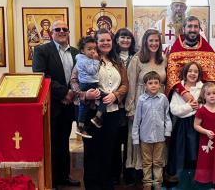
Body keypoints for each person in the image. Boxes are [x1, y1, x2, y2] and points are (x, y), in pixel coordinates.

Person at [71, 28, 128, 189]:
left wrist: (116, 95)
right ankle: (92, 185)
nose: (105, 43)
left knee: (109, 150)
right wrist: (84, 94)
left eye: (108, 40)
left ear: (112, 42)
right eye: (101, 40)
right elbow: (74, 81)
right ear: (96, 43)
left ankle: (107, 184)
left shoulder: (117, 61)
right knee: (92, 150)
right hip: (91, 111)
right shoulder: (85, 59)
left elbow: (125, 84)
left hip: (113, 112)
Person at [32, 20, 80, 188]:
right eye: (57, 29)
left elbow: (81, 75)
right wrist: (64, 92)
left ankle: (64, 176)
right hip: (52, 105)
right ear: (51, 32)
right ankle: (50, 179)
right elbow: (41, 76)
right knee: (51, 143)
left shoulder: (76, 53)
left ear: (68, 32)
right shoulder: (41, 51)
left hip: (70, 105)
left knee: (64, 141)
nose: (61, 31)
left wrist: (72, 93)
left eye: (64, 29)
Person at [125, 28, 167, 183]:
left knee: (157, 138)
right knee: (140, 137)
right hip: (140, 102)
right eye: (151, 41)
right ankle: (140, 174)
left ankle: (157, 176)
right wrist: (130, 107)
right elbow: (131, 84)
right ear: (145, 42)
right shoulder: (137, 59)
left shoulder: (163, 59)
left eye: (157, 40)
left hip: (159, 104)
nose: (154, 43)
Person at [166, 15, 215, 101]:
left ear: (199, 29)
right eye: (189, 26)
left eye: (196, 26)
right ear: (183, 29)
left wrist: (205, 94)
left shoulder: (207, 50)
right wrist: (184, 93)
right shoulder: (176, 50)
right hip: (180, 97)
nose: (193, 30)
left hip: (204, 98)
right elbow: (172, 76)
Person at [132, 71, 172, 190]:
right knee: (147, 162)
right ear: (145, 85)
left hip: (160, 137)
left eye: (156, 83)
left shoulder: (163, 98)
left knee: (158, 162)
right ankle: (147, 184)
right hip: (145, 138)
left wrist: (167, 132)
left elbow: (167, 117)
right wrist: (135, 138)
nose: (153, 85)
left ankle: (158, 183)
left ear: (160, 85)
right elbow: (137, 120)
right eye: (150, 83)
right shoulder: (141, 100)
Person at [167, 61, 203, 189]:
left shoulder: (202, 88)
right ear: (185, 73)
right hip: (181, 126)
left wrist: (192, 109)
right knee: (180, 152)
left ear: (199, 74)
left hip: (196, 125)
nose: (192, 74)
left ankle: (193, 180)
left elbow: (202, 108)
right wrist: (189, 106)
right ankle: (180, 180)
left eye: (196, 71)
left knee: (194, 153)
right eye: (190, 71)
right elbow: (174, 109)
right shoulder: (178, 89)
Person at [111, 27, 137, 185]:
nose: (125, 40)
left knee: (131, 140)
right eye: (122, 37)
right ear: (117, 40)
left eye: (128, 38)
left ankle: (129, 173)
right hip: (116, 103)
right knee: (115, 140)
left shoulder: (137, 56)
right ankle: (114, 174)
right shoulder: (111, 57)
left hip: (133, 103)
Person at [193, 82, 215, 188]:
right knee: (206, 162)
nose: (212, 96)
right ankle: (205, 184)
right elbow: (196, 125)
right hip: (206, 142)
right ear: (204, 96)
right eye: (208, 94)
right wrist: (206, 131)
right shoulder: (201, 111)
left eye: (214, 93)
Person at [74, 36, 104, 138]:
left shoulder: (87, 58)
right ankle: (82, 125)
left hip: (91, 83)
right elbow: (92, 71)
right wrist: (96, 60)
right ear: (82, 50)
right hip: (87, 84)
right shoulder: (83, 60)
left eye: (94, 49)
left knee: (101, 99)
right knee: (85, 104)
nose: (93, 51)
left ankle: (93, 119)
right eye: (89, 49)